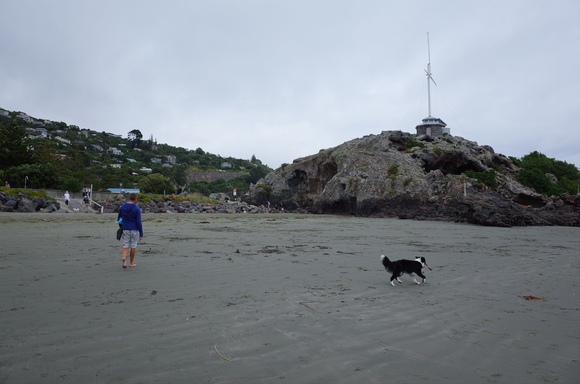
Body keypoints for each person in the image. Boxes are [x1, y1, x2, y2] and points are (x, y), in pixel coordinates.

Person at [117, 193, 143, 269]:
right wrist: (141, 233)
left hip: (125, 228)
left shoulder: (123, 206)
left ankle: (124, 258)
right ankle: (131, 263)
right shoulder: (137, 208)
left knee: (125, 245)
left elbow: (119, 218)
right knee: (133, 245)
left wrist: (121, 226)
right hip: (134, 229)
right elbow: (139, 222)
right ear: (135, 199)